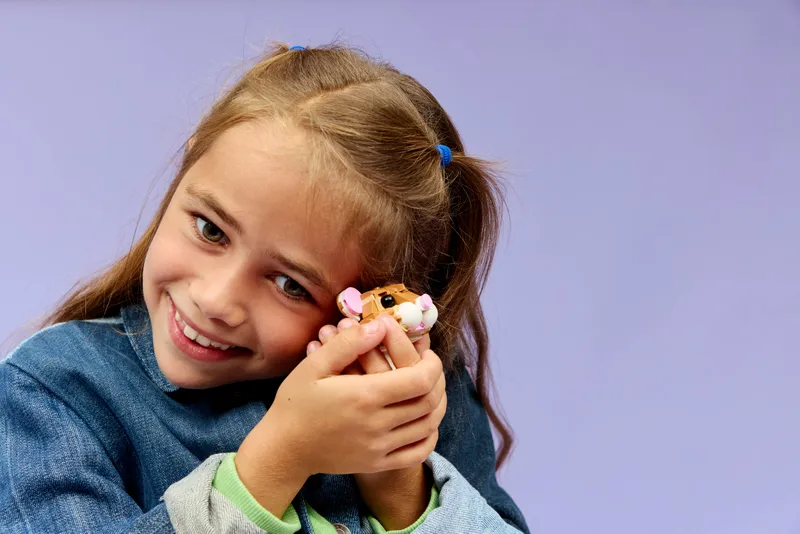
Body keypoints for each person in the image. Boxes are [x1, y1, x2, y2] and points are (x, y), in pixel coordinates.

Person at [0, 43, 529, 534]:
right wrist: (279, 458)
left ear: (371, 304)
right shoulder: (52, 394)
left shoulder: (415, 398)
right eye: (210, 229)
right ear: (186, 166)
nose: (215, 300)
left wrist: (399, 486)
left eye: (289, 284)